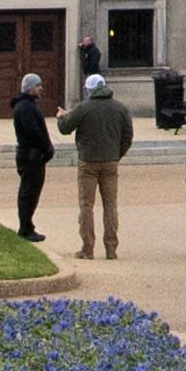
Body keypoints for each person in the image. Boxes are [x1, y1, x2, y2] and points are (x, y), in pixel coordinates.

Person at [65, 69, 135, 260]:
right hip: (111, 161)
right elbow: (128, 136)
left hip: (88, 161)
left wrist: (62, 117)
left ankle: (88, 248)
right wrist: (117, 154)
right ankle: (111, 249)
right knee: (110, 205)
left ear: (89, 90)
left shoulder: (83, 108)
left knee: (86, 205)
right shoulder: (120, 108)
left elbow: (65, 129)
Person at [9, 78, 54, 242]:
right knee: (29, 192)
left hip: (31, 154)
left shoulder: (27, 105)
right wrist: (47, 147)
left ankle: (28, 225)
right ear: (29, 89)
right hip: (30, 155)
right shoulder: (26, 107)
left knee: (31, 191)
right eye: (38, 86)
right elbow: (33, 132)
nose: (41, 88)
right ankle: (25, 228)